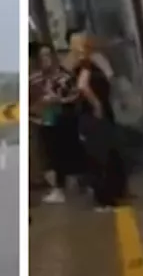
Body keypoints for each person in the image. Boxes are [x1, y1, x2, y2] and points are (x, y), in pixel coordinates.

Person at [72, 32, 128, 211]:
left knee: (105, 153)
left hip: (97, 113)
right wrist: (96, 104)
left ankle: (110, 195)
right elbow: (82, 85)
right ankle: (104, 199)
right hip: (92, 115)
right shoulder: (85, 64)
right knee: (100, 156)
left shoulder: (90, 62)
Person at [34, 43, 83, 204]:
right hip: (44, 120)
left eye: (48, 55)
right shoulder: (34, 80)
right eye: (42, 56)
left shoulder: (64, 77)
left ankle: (69, 185)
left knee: (66, 152)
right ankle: (59, 187)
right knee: (50, 154)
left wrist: (60, 100)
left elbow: (75, 95)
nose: (46, 59)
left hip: (63, 119)